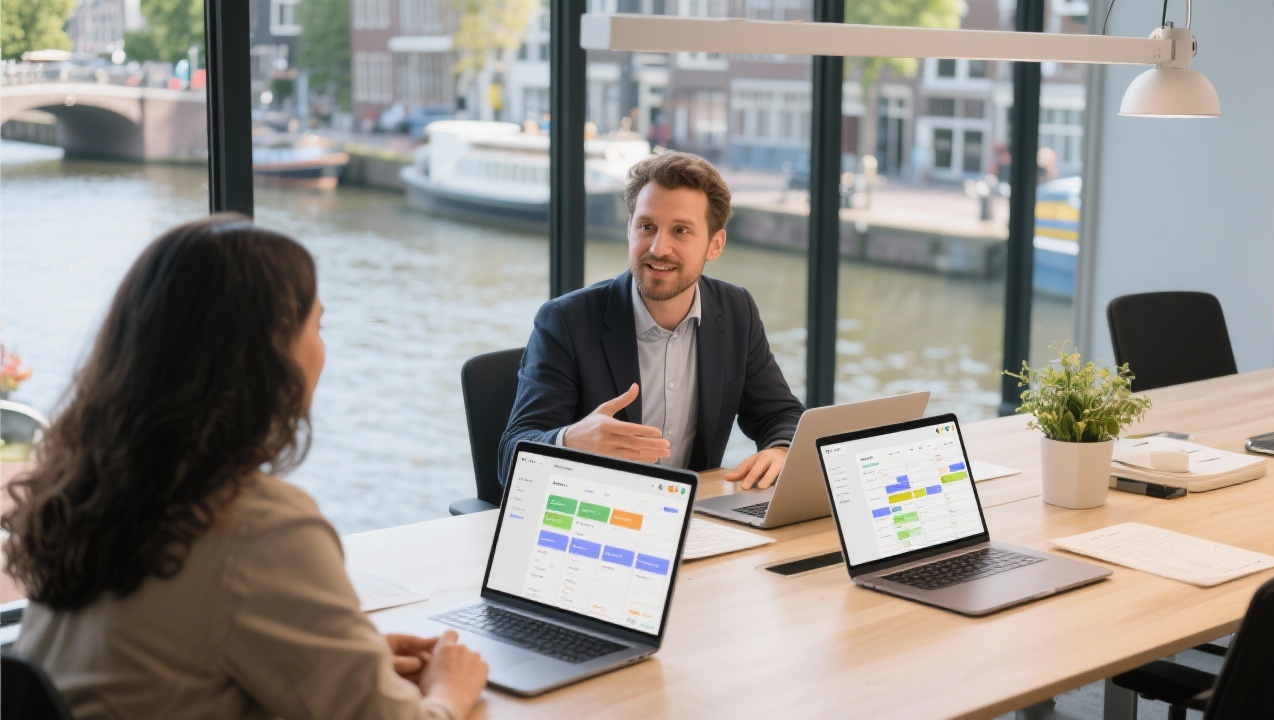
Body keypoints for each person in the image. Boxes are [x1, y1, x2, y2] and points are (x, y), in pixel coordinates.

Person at [2, 215, 488, 720]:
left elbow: (175, 654)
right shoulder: (258, 526)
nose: (323, 351)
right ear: (271, 354)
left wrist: (338, 659)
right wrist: (450, 691)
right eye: (316, 326)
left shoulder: (92, 489)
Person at [499, 152, 804, 491]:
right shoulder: (566, 321)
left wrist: (780, 450)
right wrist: (569, 440)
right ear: (629, 228)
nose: (659, 248)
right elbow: (511, 456)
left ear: (715, 245)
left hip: (695, 518)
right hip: (594, 517)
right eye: (647, 227)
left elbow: (781, 415)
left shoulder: (736, 310)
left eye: (681, 230)